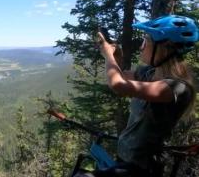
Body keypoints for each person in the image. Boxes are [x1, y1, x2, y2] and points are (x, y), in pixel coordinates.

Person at [76, 15, 198, 177]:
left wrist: (108, 56)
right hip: (126, 158)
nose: (141, 46)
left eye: (146, 41)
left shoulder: (176, 88)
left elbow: (118, 85)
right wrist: (116, 59)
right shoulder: (150, 73)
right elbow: (121, 76)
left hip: (143, 168)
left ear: (164, 48)